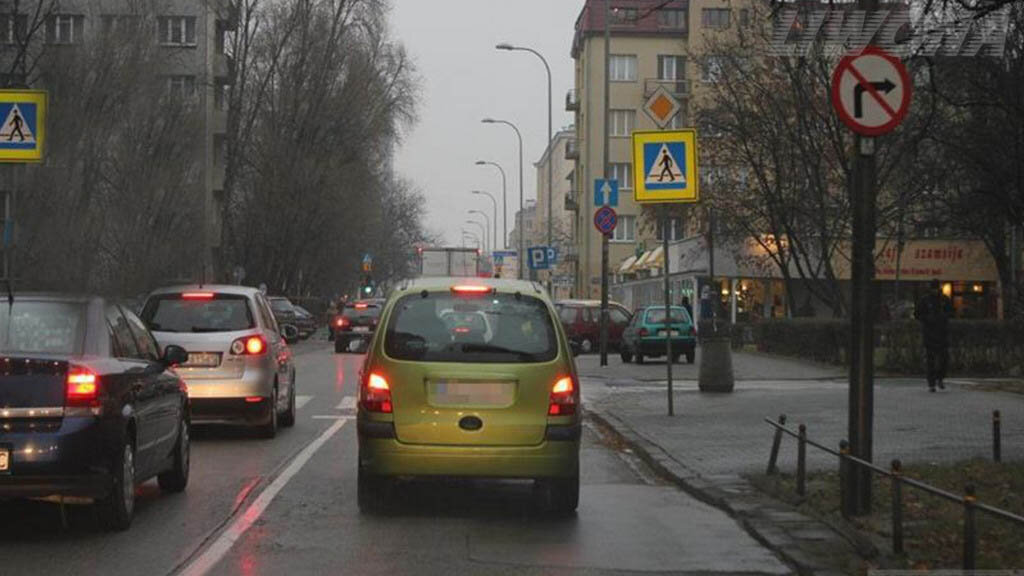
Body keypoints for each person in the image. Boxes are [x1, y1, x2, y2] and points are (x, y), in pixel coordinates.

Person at [914, 279, 953, 392]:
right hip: (929, 333)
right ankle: (931, 383)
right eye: (933, 288)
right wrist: (927, 319)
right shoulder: (925, 300)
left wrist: (944, 317)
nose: (935, 290)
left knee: (944, 358)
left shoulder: (944, 299)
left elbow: (951, 311)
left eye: (936, 288)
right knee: (930, 359)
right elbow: (917, 314)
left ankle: (940, 378)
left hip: (942, 333)